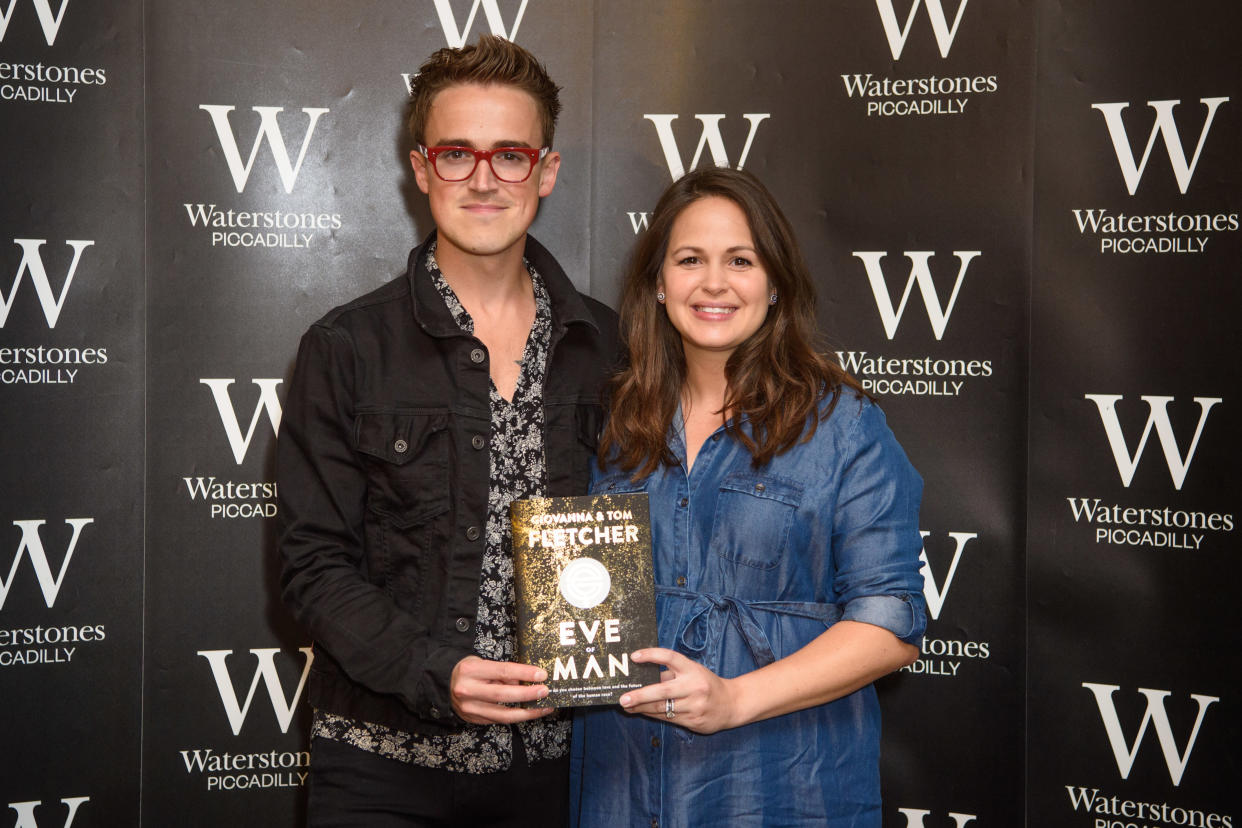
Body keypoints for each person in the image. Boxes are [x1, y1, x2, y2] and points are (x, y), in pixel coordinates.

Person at [277, 35, 618, 827]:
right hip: (383, 769)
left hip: (565, 772)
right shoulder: (346, 347)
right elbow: (312, 564)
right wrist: (438, 671)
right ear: (423, 168)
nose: (485, 180)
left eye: (510, 155)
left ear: (546, 170)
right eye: (458, 154)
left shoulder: (610, 347)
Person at [570, 167, 927, 827]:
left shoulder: (844, 425)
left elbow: (891, 622)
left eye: (741, 260)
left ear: (774, 284)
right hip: (623, 785)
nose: (714, 283)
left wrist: (734, 699)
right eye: (689, 260)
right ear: (657, 282)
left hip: (782, 787)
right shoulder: (617, 424)